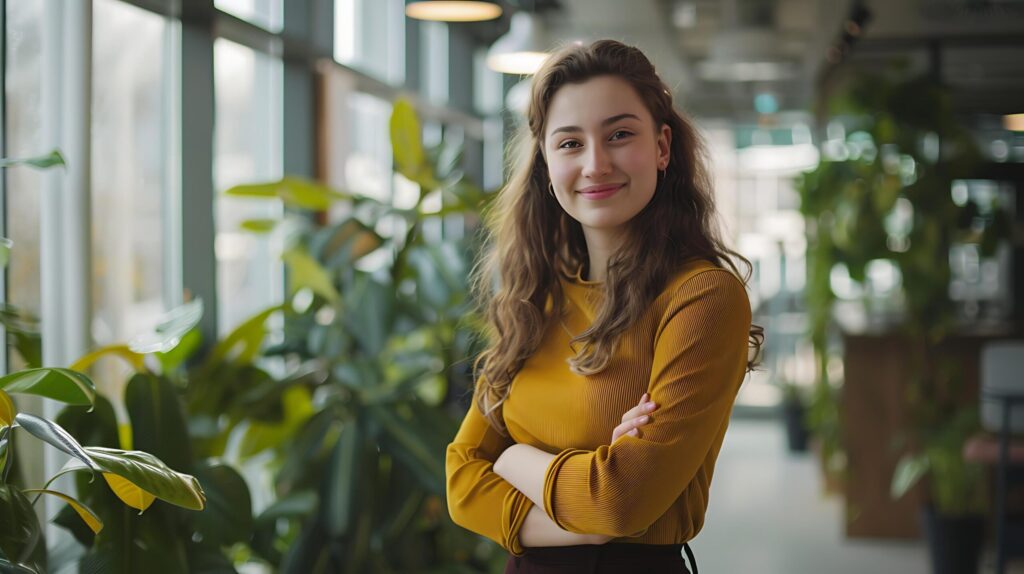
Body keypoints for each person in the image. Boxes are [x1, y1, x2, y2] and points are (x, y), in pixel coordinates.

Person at [445, 39, 763, 574]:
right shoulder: (534, 297)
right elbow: (460, 484)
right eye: (570, 143)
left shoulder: (703, 299)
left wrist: (512, 457)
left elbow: (620, 502)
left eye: (619, 135)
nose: (595, 164)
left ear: (662, 147)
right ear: (546, 162)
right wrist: (587, 517)